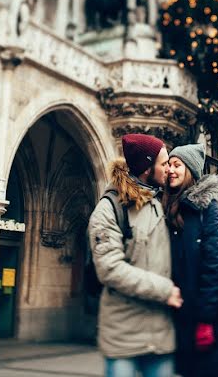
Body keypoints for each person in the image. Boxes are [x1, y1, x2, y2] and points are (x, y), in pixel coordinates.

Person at [88, 134, 183, 377]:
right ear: (146, 169)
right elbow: (110, 269)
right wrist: (165, 290)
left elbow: (197, 202)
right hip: (124, 338)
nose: (168, 170)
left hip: (161, 334)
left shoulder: (161, 200)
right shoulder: (109, 208)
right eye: (163, 164)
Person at [163, 144, 218, 377]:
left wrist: (205, 319)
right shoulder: (170, 208)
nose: (171, 170)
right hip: (190, 318)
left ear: (191, 170)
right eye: (168, 165)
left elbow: (216, 266)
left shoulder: (208, 209)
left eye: (177, 165)